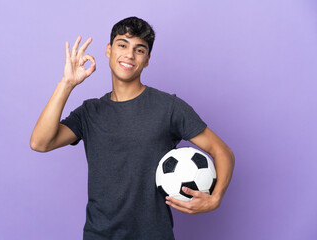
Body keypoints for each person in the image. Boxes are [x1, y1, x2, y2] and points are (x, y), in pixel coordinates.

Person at [30, 16, 235, 240]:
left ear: (147, 59)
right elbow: (40, 143)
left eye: (139, 49)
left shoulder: (169, 107)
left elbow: (222, 151)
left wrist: (215, 198)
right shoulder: (90, 112)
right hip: (99, 235)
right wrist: (66, 84)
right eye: (122, 45)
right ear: (108, 50)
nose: (129, 54)